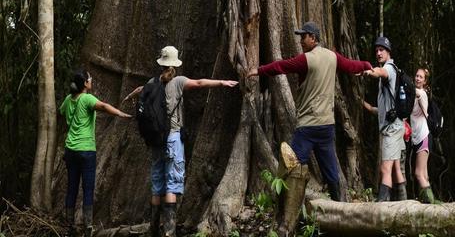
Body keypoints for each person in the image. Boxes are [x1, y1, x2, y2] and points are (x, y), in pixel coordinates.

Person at [246, 21, 372, 236]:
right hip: (327, 126)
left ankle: (287, 221)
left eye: (304, 36)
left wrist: (257, 71)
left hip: (307, 127)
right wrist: (368, 65)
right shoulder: (333, 56)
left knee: (293, 169)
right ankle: (341, 214)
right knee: (331, 172)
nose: (301, 40)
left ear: (313, 38)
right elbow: (352, 66)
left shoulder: (306, 59)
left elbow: (280, 67)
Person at [123, 45, 238, 237]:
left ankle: (153, 230)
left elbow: (139, 90)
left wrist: (130, 96)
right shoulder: (178, 82)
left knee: (157, 183)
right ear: (175, 65)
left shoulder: (152, 83)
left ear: (161, 63)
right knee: (172, 183)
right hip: (173, 139)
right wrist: (221, 82)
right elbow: (200, 83)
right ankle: (169, 232)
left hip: (156, 141)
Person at [59, 69, 132, 236]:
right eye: (89, 78)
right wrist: (120, 113)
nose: (91, 79)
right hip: (86, 150)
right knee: (88, 188)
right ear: (85, 83)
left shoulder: (69, 99)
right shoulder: (86, 98)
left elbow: (61, 111)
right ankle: (88, 228)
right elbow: (103, 106)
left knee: (71, 188)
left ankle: (69, 227)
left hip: (71, 150)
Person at [362, 36, 406, 202]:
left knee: (385, 169)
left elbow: (382, 72)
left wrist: (369, 71)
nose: (379, 53)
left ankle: (381, 208)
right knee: (395, 168)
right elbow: (381, 109)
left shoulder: (389, 68)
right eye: (377, 51)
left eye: (382, 50)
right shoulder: (389, 69)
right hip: (395, 126)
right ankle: (405, 206)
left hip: (392, 129)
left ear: (388, 52)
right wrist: (363, 104)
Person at [410, 68, 435, 203]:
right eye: (416, 76)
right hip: (418, 137)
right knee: (424, 174)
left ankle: (432, 205)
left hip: (423, 137)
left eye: (421, 77)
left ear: (425, 81)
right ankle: (428, 204)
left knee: (418, 174)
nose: (418, 79)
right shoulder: (414, 95)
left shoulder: (422, 94)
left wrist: (402, 82)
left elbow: (417, 93)